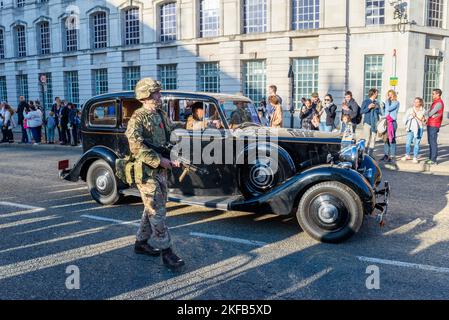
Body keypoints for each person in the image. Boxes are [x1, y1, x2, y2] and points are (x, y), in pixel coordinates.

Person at [125, 77, 185, 270]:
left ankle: (141, 243)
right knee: (156, 210)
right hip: (146, 171)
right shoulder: (138, 118)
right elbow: (136, 146)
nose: (160, 96)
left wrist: (192, 126)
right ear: (145, 96)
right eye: (156, 93)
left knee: (151, 208)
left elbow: (171, 131)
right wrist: (161, 160)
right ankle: (167, 252)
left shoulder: (160, 114)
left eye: (158, 93)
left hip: (160, 171)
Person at [402, 97, 426, 164]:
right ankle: (407, 155)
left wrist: (414, 116)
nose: (415, 103)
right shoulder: (410, 109)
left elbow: (422, 120)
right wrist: (407, 122)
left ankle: (415, 157)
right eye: (414, 102)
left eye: (417, 102)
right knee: (408, 143)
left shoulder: (423, 110)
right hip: (410, 128)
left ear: (420, 103)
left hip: (419, 128)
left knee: (416, 143)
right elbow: (405, 118)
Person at [425, 89, 445, 165]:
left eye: (433, 94)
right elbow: (428, 112)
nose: (432, 95)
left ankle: (433, 160)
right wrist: (427, 113)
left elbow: (430, 113)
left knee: (433, 142)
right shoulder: (435, 102)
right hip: (431, 123)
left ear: (438, 94)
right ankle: (430, 158)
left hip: (434, 124)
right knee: (430, 142)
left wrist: (430, 114)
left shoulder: (439, 103)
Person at [361, 89, 381, 157]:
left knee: (373, 139)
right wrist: (368, 107)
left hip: (375, 123)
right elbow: (361, 112)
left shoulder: (377, 102)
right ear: (373, 94)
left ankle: (370, 155)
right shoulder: (365, 101)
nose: (377, 94)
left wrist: (379, 108)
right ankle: (365, 155)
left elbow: (379, 112)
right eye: (377, 93)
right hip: (367, 123)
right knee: (366, 139)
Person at [381, 90, 400, 163]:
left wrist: (386, 102)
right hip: (386, 122)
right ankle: (386, 155)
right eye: (388, 94)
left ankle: (392, 156)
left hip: (392, 122)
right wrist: (382, 107)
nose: (390, 96)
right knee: (386, 139)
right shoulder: (387, 103)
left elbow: (389, 109)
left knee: (392, 139)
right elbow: (385, 112)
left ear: (394, 95)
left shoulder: (396, 102)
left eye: (391, 94)